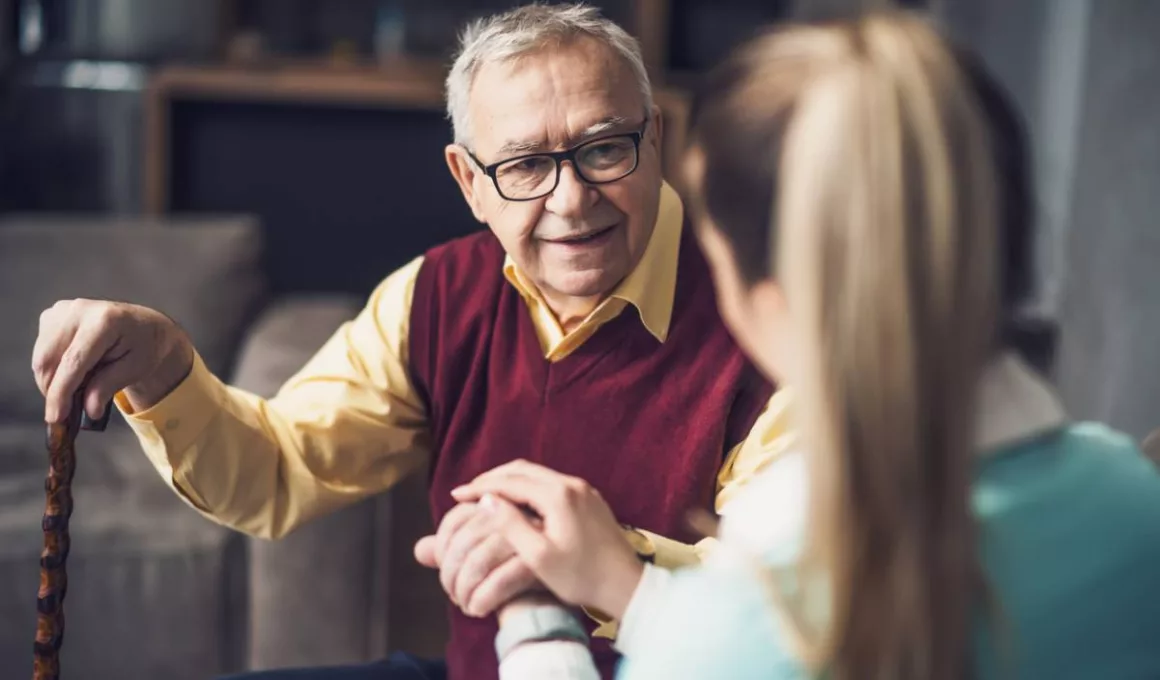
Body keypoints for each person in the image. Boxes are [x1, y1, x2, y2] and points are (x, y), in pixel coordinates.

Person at [29, 4, 790, 680]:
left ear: (654, 137)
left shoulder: (769, 316)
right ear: (469, 181)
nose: (571, 198)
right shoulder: (435, 296)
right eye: (526, 165)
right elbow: (279, 470)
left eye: (602, 150)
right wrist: (166, 368)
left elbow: (791, 625)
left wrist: (606, 561)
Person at [451, 11, 1160, 680]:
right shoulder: (1137, 506)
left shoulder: (736, 635)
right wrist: (632, 593)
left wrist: (536, 622)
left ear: (772, 294)